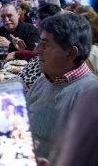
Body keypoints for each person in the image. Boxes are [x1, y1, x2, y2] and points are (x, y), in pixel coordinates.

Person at [26, 13, 98, 158]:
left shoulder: (90, 95)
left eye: (46, 45)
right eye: (39, 43)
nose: (37, 50)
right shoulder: (43, 81)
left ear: (71, 53)